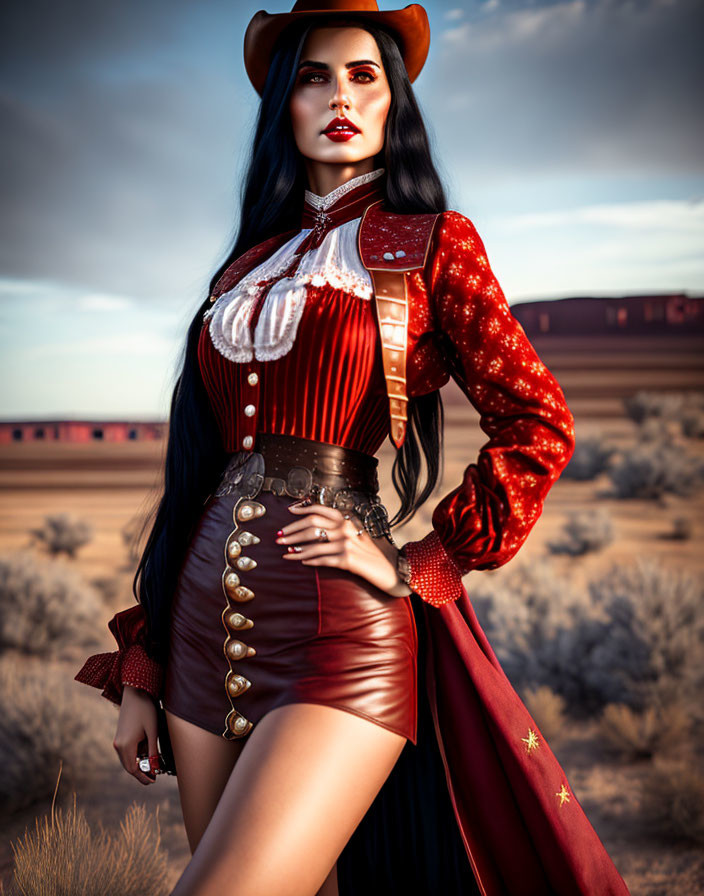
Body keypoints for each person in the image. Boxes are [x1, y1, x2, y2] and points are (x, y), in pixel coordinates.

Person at [75, 2, 632, 894]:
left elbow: (538, 421)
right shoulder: (243, 267)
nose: (339, 95)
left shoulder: (433, 247)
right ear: (283, 106)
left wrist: (423, 564)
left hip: (341, 629)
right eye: (313, 76)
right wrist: (144, 661)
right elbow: (192, 479)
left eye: (363, 75)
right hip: (198, 627)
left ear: (392, 100)